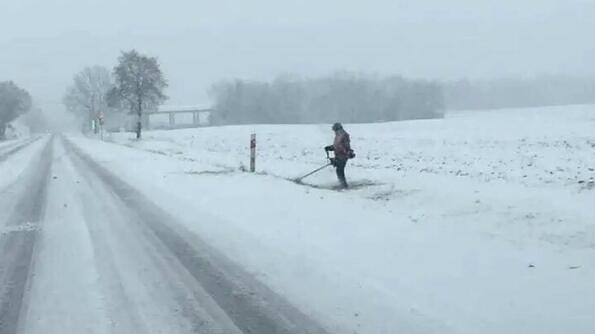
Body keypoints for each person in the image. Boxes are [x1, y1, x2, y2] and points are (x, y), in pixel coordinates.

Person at [325, 122, 354, 188]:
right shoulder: (338, 135)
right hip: (339, 155)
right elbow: (337, 146)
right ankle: (343, 184)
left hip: (343, 156)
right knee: (339, 170)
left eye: (335, 130)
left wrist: (347, 153)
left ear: (338, 129)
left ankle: (344, 185)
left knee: (339, 170)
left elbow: (345, 146)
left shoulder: (344, 135)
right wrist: (330, 147)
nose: (334, 132)